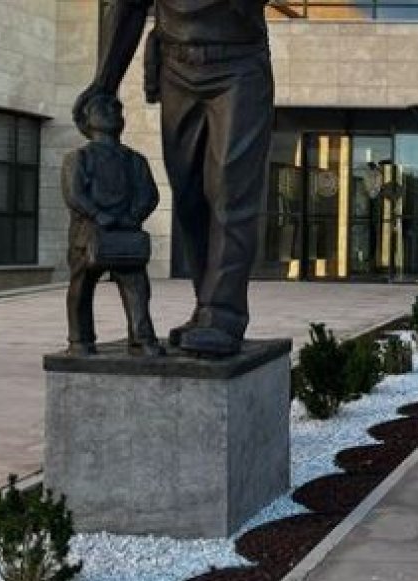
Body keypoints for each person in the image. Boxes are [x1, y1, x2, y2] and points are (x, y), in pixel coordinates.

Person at [76, 0, 273, 356]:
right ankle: (206, 307)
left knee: (230, 190)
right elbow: (129, 6)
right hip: (176, 67)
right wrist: (104, 82)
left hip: (238, 64)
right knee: (189, 196)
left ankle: (223, 314)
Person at [62, 93, 164, 358]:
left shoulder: (135, 160)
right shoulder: (79, 158)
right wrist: (98, 214)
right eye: (102, 108)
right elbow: (74, 194)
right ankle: (80, 340)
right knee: (81, 288)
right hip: (88, 236)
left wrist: (133, 216)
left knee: (137, 287)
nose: (112, 111)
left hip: (125, 234)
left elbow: (149, 194)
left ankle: (141, 338)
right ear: (86, 120)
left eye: (116, 108)